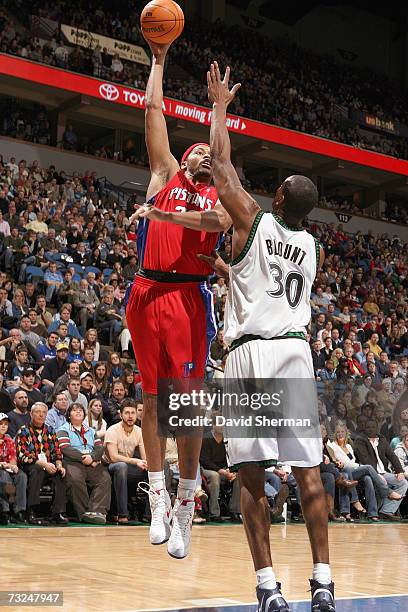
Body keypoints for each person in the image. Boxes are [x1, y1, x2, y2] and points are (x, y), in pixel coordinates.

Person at [202, 63, 333, 611]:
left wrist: (219, 107)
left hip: (252, 354)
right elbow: (275, 285)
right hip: (296, 353)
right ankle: (323, 581)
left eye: (276, 186)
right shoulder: (313, 249)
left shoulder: (256, 220)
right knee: (309, 474)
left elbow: (222, 166)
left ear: (279, 201)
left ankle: (267, 589)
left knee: (251, 478)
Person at [125, 38, 230, 560]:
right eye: (201, 152)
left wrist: (218, 112)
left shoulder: (220, 196)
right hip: (145, 292)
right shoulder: (164, 174)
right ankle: (158, 496)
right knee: (150, 399)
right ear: (184, 159)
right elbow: (152, 112)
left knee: (184, 409)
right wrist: (159, 62)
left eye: (214, 153)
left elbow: (216, 223)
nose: (207, 155)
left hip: (188, 299)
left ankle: (187, 505)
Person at [57, 403, 111, 524]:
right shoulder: (63, 430)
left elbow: (99, 447)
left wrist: (92, 457)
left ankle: (97, 511)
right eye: (74, 410)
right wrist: (83, 458)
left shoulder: (91, 431)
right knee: (75, 479)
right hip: (73, 461)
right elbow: (65, 448)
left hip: (91, 461)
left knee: (104, 478)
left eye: (80, 410)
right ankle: (83, 513)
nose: (78, 412)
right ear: (69, 415)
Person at [15, 402, 68, 525]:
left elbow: (56, 451)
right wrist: (44, 464)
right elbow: (22, 455)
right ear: (31, 414)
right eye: (38, 412)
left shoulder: (50, 430)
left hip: (49, 466)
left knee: (61, 472)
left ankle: (57, 512)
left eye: (44, 412)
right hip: (30, 465)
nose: (41, 415)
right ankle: (31, 510)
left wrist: (59, 465)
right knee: (37, 469)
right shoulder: (23, 431)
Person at [354, 418, 408, 520]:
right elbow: (365, 460)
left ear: (377, 428)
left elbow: (392, 455)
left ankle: (386, 511)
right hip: (368, 472)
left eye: (373, 427)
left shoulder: (382, 439)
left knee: (403, 483)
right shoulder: (359, 440)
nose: (370, 429)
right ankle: (389, 494)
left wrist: (399, 471)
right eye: (368, 427)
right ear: (364, 428)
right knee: (372, 479)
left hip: (384, 472)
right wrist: (377, 475)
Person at [103, 399, 147, 524]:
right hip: (110, 467)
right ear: (120, 414)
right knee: (121, 466)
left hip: (129, 467)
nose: (130, 416)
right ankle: (123, 514)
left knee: (156, 469)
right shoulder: (112, 430)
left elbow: (144, 458)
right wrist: (135, 461)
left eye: (133, 413)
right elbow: (113, 457)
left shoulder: (139, 431)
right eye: (127, 413)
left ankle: (149, 514)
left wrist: (148, 464)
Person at [0, 412, 27, 524]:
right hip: (1, 469)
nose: (3, 426)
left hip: (7, 467)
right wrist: (1, 464)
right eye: (0, 424)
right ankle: (4, 511)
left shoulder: (8, 439)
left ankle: (19, 510)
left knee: (21, 476)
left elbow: (12, 456)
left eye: (5, 424)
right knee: (4, 475)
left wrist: (13, 465)